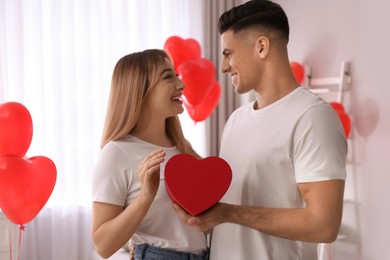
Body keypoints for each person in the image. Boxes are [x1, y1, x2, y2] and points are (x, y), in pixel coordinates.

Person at [173, 1, 347, 259]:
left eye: (228, 53)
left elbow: (324, 224)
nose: (223, 67)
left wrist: (229, 213)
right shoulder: (235, 120)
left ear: (262, 47)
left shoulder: (312, 117)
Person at [91, 49, 209, 260]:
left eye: (177, 76)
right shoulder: (116, 153)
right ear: (140, 90)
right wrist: (146, 196)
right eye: (168, 77)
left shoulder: (183, 148)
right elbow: (103, 245)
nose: (181, 85)